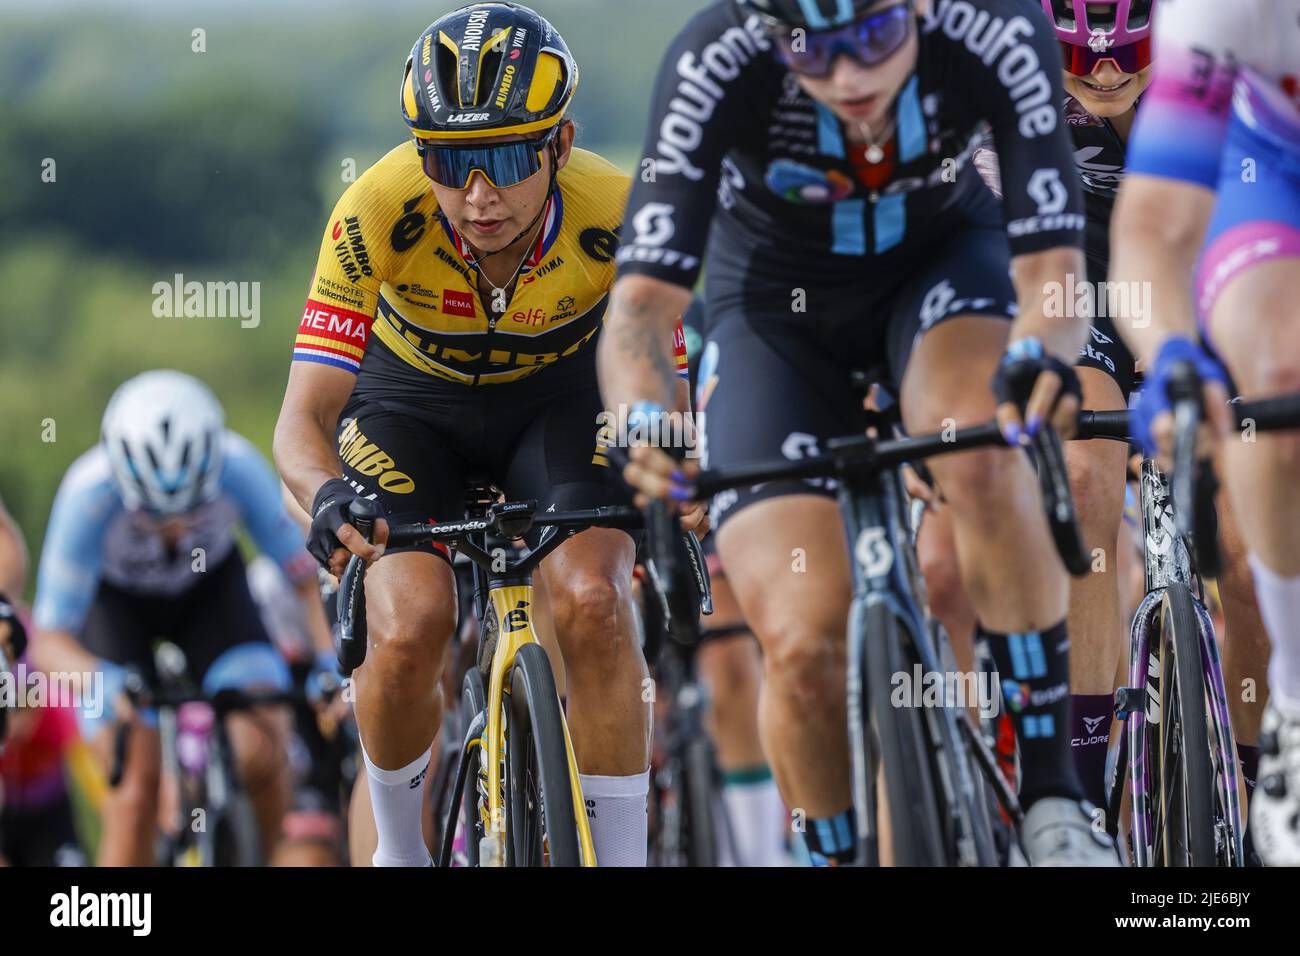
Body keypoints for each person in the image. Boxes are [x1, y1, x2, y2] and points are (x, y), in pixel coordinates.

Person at [600, 0, 1118, 865]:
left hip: (942, 268)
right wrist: (642, 420)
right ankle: (833, 851)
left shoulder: (991, 24)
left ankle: (1055, 796)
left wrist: (1039, 356)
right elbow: (643, 309)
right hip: (772, 307)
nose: (848, 77)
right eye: (812, 52)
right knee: (802, 643)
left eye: (875, 40)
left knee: (984, 456)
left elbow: (1051, 265)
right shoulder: (713, 59)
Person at [274, 2, 688, 867]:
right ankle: (399, 851)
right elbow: (303, 420)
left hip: (561, 400)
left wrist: (676, 468)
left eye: (504, 158)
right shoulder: (377, 208)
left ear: (560, 146)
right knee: (410, 620)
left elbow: (667, 379)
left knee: (597, 600)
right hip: (407, 407)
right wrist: (323, 498)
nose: (477, 195)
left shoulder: (617, 211)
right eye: (449, 161)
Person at [1111, 0, 1300, 865]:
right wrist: (1172, 353)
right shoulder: (1225, 9)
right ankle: (1290, 705)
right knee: (1280, 377)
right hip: (1268, 168)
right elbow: (1153, 229)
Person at [31, 370, 332, 865]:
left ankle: (265, 848)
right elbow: (48, 638)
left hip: (210, 595)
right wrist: (99, 680)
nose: (171, 530)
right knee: (133, 792)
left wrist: (327, 662)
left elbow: (301, 578)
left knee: (262, 744)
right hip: (117, 611)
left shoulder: (238, 467)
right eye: (151, 515)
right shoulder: (87, 495)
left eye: (190, 512)